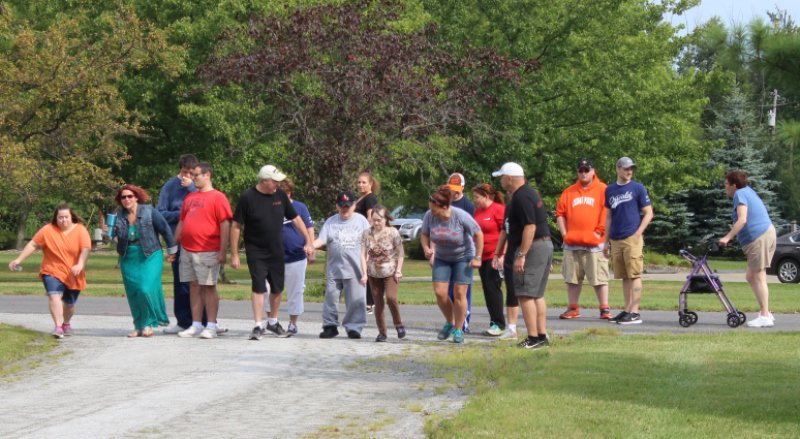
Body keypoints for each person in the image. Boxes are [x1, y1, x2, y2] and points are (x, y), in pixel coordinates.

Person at [230, 165, 313, 340]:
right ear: (264, 180)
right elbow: (236, 226)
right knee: (259, 286)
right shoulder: (248, 198)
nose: (278, 185)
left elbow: (296, 218)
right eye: (275, 182)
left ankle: (273, 322)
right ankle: (258, 325)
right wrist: (235, 253)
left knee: (277, 287)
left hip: (277, 250)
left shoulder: (280, 195)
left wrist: (308, 240)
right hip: (256, 250)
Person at [492, 162, 553, 349]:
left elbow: (530, 225)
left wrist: (522, 254)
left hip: (533, 246)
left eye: (502, 177)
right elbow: (508, 228)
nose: (501, 180)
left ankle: (533, 338)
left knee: (525, 294)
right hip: (544, 243)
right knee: (537, 295)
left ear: (510, 178)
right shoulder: (527, 194)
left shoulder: (522, 196)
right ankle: (541, 336)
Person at [9, 203, 91, 338]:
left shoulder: (81, 230)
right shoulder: (47, 230)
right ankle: (58, 327)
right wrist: (19, 260)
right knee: (54, 295)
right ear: (56, 218)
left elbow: (85, 249)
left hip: (73, 273)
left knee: (69, 304)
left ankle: (66, 324)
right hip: (52, 270)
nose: (63, 220)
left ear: (72, 217)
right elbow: (33, 244)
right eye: (60, 217)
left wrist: (80, 264)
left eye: (66, 217)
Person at [157, 154, 216, 334]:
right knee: (182, 282)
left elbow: (205, 205)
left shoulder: (197, 187)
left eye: (192, 174)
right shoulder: (170, 186)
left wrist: (191, 189)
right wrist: (181, 213)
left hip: (201, 242)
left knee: (205, 283)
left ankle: (208, 322)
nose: (188, 177)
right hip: (178, 238)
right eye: (185, 173)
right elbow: (160, 213)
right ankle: (183, 320)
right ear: (180, 170)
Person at [109, 184, 177, 337]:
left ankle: (149, 323)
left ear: (136, 197)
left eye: (130, 196)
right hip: (128, 257)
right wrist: (110, 232)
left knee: (145, 288)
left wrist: (172, 251)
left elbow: (165, 230)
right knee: (133, 292)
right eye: (123, 197)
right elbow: (115, 238)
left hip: (150, 254)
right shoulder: (119, 216)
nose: (126, 199)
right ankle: (139, 325)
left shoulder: (149, 211)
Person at [175, 162, 233, 339]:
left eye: (196, 175)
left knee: (208, 286)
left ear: (207, 175)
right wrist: (173, 244)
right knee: (193, 286)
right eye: (192, 175)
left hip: (207, 249)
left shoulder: (218, 197)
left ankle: (212, 325)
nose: (193, 178)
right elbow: (182, 221)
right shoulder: (190, 197)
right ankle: (196, 324)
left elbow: (225, 224)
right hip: (187, 249)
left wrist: (223, 250)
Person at [420, 186, 483, 344]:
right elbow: (424, 234)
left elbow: (478, 233)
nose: (432, 213)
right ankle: (450, 322)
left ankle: (459, 329)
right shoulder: (429, 215)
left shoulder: (460, 216)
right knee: (440, 293)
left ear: (445, 207)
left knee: (459, 293)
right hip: (442, 257)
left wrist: (478, 257)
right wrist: (427, 249)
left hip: (464, 257)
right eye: (431, 210)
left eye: (435, 211)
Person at [719, 171, 777, 328]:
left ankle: (765, 315)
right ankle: (766, 313)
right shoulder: (749, 191)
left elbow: (742, 219)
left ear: (733, 185)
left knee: (757, 276)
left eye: (726, 184)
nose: (725, 187)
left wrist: (727, 237)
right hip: (766, 233)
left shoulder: (740, 194)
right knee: (753, 276)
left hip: (759, 237)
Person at [555, 158, 611, 320]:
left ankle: (604, 308)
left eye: (587, 170)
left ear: (593, 171)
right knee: (572, 278)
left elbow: (606, 212)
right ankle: (573, 308)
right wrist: (565, 234)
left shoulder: (602, 189)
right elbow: (560, 214)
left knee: (599, 278)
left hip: (595, 244)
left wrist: (599, 232)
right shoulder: (569, 191)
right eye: (581, 170)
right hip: (572, 243)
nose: (584, 173)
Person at [313, 191, 371, 339]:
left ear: (354, 205)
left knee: (356, 300)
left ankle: (354, 327)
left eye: (348, 206)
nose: (345, 209)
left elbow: (369, 242)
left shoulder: (361, 221)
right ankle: (330, 326)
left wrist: (368, 263)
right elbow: (322, 239)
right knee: (331, 298)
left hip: (355, 268)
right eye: (342, 206)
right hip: (335, 268)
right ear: (337, 206)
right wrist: (311, 245)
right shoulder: (331, 221)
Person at [603, 157, 653, 325]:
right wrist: (605, 241)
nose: (629, 171)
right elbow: (608, 217)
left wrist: (638, 232)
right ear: (617, 169)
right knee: (624, 276)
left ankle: (635, 312)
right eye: (625, 168)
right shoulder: (610, 190)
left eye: (631, 168)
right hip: (616, 239)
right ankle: (627, 310)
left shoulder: (637, 188)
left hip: (632, 237)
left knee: (635, 274)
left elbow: (648, 212)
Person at [263, 177, 315, 335]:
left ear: (289, 192)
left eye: (283, 191)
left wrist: (310, 246)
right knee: (267, 289)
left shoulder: (299, 207)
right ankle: (273, 320)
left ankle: (293, 323)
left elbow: (309, 227)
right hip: (272, 256)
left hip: (296, 256)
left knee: (296, 290)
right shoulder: (269, 206)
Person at [360, 205, 405, 342]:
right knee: (378, 303)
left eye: (379, 220)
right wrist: (364, 273)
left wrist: (398, 270)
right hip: (374, 273)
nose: (376, 223)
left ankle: (398, 324)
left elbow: (401, 253)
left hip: (390, 271)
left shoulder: (392, 232)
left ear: (386, 219)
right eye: (374, 220)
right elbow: (362, 254)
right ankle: (382, 332)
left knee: (391, 298)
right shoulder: (367, 233)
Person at [471, 183, 507, 336]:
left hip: (495, 255)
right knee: (487, 289)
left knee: (493, 288)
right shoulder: (477, 211)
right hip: (482, 256)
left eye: (477, 197)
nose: (475, 201)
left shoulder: (499, 210)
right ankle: (493, 322)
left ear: (486, 196)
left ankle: (499, 323)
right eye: (474, 198)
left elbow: (506, 233)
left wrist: (502, 255)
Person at [446, 172, 476, 332]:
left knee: (463, 290)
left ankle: (463, 322)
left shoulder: (469, 206)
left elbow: (474, 232)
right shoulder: (445, 205)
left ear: (463, 187)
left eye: (457, 188)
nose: (454, 191)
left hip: (464, 254)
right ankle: (452, 321)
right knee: (449, 291)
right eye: (451, 188)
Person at [355, 171, 379, 314]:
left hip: (366, 237)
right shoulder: (361, 198)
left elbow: (370, 219)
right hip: (358, 237)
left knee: (367, 269)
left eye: (364, 182)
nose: (361, 185)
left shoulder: (370, 198)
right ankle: (364, 300)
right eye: (359, 182)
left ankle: (370, 303)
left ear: (371, 184)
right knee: (362, 268)